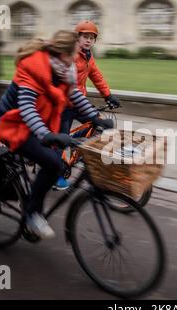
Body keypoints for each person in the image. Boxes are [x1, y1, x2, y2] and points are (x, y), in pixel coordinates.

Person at [0, 30, 104, 239]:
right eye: (75, 52)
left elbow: (75, 97)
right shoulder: (34, 67)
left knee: (56, 162)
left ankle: (31, 200)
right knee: (54, 164)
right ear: (64, 54)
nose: (76, 57)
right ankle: (32, 214)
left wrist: (96, 118)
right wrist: (46, 135)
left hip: (34, 124)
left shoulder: (63, 71)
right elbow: (27, 108)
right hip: (11, 124)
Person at [54, 20, 119, 190]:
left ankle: (76, 145)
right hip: (64, 104)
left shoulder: (89, 57)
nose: (89, 40)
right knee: (60, 139)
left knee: (98, 124)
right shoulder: (72, 55)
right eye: (85, 36)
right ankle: (57, 174)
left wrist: (108, 95)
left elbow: (97, 76)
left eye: (92, 37)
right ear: (77, 37)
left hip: (79, 102)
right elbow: (67, 84)